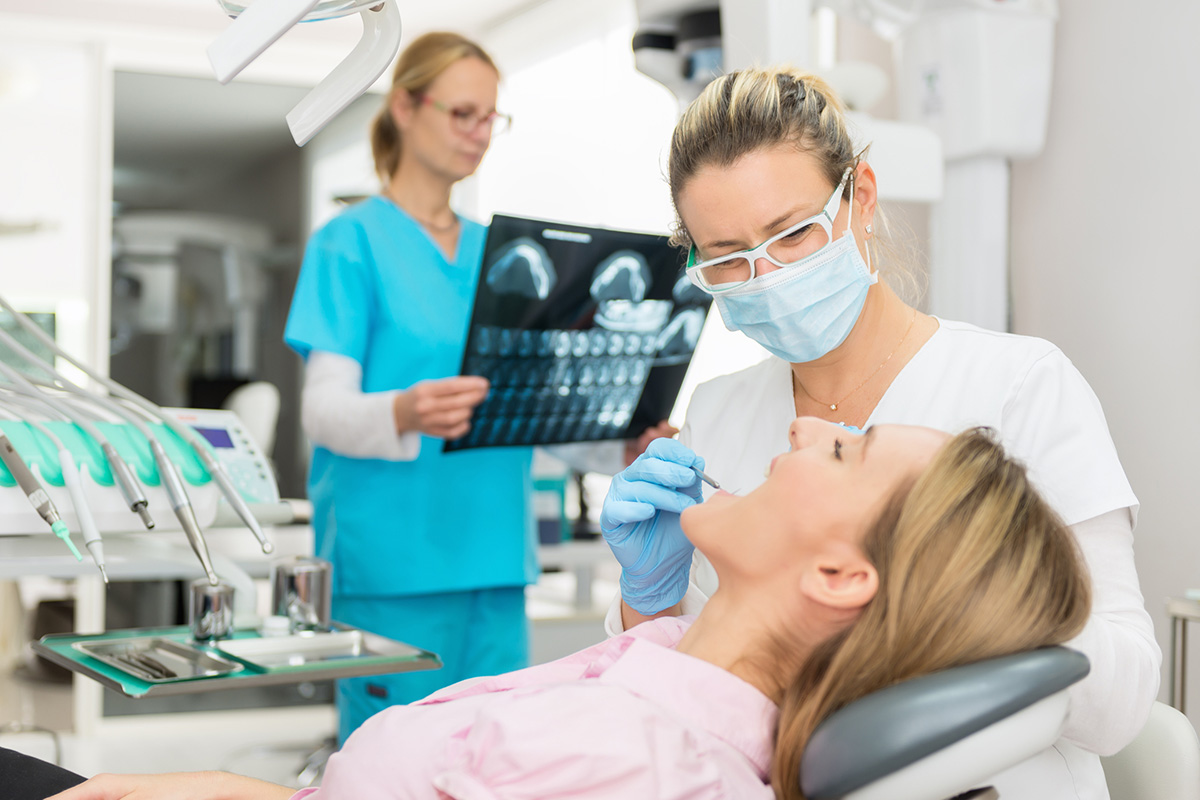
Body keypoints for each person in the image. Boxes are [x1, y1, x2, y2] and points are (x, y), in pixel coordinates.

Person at [597, 66, 1159, 799]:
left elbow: (1121, 701)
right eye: (728, 258)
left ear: (860, 197)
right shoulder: (719, 411)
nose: (766, 276)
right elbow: (686, 694)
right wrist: (649, 599)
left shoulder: (1021, 384)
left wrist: (947, 584)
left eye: (792, 234)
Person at [42, 420, 1089, 800]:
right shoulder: (671, 671)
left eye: (845, 451)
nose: (800, 433)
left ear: (840, 577)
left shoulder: (642, 766)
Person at [282, 31, 675, 744]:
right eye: (463, 113)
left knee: (492, 760)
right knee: (390, 764)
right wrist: (402, 410)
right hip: (392, 565)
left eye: (491, 116)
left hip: (493, 556)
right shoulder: (350, 242)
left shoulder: (503, 254)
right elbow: (322, 411)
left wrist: (620, 447)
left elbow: (529, 408)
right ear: (405, 107)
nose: (479, 133)